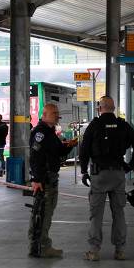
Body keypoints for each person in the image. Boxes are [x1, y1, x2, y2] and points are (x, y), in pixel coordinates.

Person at [79, 96, 134, 262]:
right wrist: (131, 165)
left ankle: (94, 251)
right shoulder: (122, 125)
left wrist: (84, 171)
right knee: (119, 213)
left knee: (96, 215)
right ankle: (120, 250)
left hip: (99, 175)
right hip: (118, 174)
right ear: (114, 108)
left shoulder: (94, 125)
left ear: (100, 108)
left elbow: (84, 149)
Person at [28, 103, 78, 258]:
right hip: (45, 180)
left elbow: (57, 151)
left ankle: (39, 245)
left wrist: (69, 146)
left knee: (45, 212)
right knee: (44, 212)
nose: (58, 115)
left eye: (57, 112)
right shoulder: (40, 133)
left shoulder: (50, 132)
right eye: (54, 113)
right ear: (45, 114)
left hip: (51, 178)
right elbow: (35, 158)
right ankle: (41, 246)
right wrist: (36, 179)